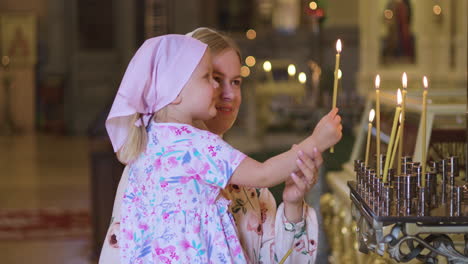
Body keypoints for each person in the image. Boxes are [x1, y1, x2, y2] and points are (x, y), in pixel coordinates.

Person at [100, 29, 342, 263]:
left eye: (236, 82)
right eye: (212, 78)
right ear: (175, 89)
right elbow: (265, 173)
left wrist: (293, 204)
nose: (225, 93)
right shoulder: (176, 155)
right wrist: (316, 141)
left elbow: (277, 259)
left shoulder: (155, 142)